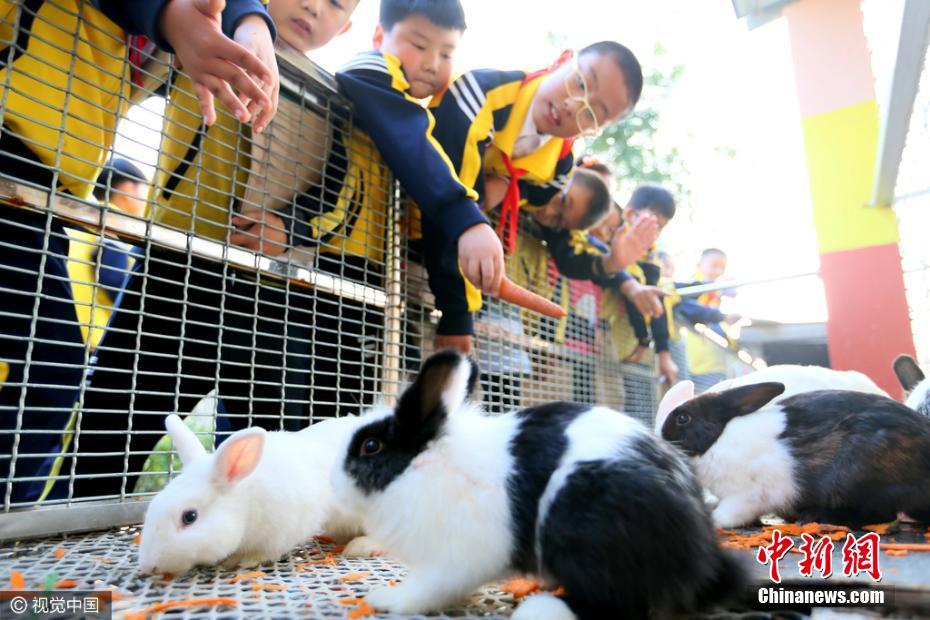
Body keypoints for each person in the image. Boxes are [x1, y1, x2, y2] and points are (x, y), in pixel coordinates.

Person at [72, 0, 358, 498]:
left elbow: (341, 195)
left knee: (271, 462)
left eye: (336, 3)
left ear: (347, 27)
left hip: (272, 295)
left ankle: (264, 572)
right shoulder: (207, 24)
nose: (314, 5)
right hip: (176, 272)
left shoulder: (340, 102)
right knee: (103, 438)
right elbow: (131, 63)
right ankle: (59, 554)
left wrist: (290, 228)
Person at [0, 0, 278, 503]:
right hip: (21, 158)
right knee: (63, 385)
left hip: (49, 187)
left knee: (55, 377)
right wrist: (171, 18)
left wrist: (252, 19)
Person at [426, 40, 648, 353]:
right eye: (581, 82)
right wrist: (457, 314)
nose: (574, 105)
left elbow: (561, 242)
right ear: (563, 60)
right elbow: (452, 202)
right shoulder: (480, 94)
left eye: (594, 115)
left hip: (436, 269)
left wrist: (613, 261)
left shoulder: (559, 168)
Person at [334, 0, 507, 358]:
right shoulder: (368, 70)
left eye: (447, 53)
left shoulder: (421, 115)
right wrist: (465, 217)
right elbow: (410, 138)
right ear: (379, 36)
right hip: (325, 269)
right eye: (418, 45)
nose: (432, 64)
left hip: (376, 279)